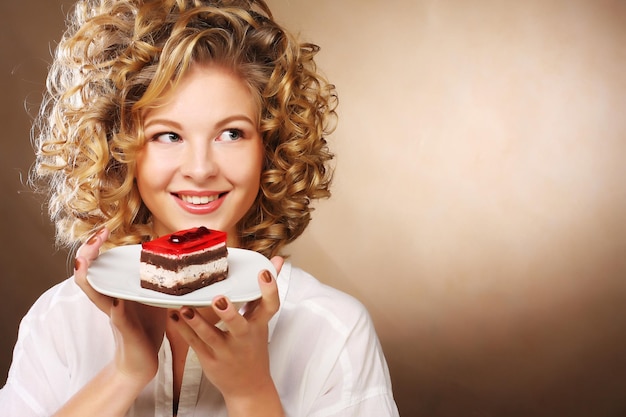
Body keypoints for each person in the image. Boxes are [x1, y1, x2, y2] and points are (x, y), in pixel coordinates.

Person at [0, 0, 399, 416]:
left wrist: (251, 393)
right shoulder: (61, 320)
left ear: (271, 145)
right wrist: (125, 372)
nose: (201, 169)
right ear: (119, 149)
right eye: (168, 136)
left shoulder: (333, 330)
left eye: (231, 133)